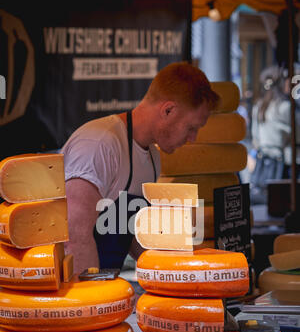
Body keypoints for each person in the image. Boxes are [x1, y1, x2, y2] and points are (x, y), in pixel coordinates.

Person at [61, 62, 219, 274]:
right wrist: (96, 303)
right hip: (68, 295)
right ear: (168, 110)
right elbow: (74, 237)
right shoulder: (99, 145)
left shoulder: (152, 157)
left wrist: (175, 275)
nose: (192, 139)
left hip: (105, 287)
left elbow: (128, 232)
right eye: (191, 128)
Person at [250, 65, 300, 203]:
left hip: (264, 161)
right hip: (285, 164)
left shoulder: (258, 107)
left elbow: (256, 138)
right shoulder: (285, 107)